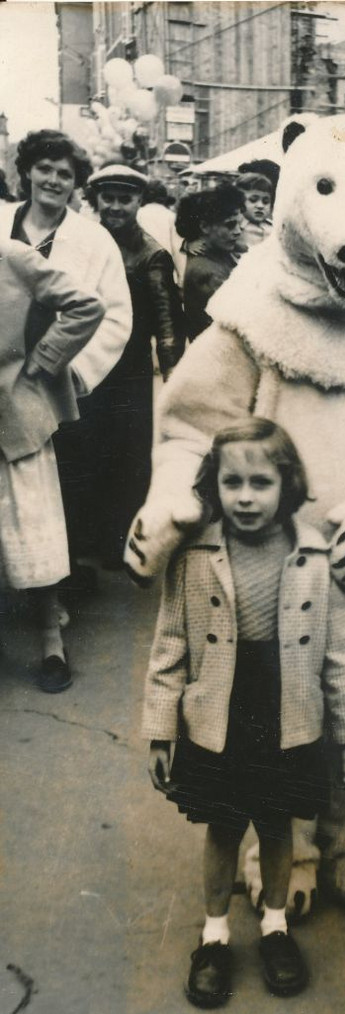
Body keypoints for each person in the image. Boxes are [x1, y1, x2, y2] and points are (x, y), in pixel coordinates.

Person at [143, 419, 345, 1005]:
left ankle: (274, 925)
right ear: (212, 485)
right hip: (219, 712)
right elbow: (170, 645)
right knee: (222, 826)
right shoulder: (193, 555)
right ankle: (215, 934)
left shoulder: (317, 558)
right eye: (231, 482)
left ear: (287, 485)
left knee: (276, 824)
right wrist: (161, 728)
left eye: (261, 483)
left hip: (287, 711)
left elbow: (339, 656)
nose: (245, 497)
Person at [0, 129, 132, 606]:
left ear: (76, 184)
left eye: (64, 174)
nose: (53, 180)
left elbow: (115, 313)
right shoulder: (1, 223)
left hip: (58, 382)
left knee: (63, 483)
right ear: (28, 172)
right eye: (45, 169)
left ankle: (58, 582)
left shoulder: (93, 241)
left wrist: (75, 370)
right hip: (3, 381)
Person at [0, 239, 105, 691]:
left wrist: (42, 362)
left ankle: (50, 641)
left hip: (15, 419)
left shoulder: (12, 256)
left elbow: (87, 305)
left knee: (32, 528)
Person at [84, 164, 185, 567]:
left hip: (130, 372)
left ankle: (121, 543)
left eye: (125, 198)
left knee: (127, 456)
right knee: (88, 449)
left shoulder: (151, 254)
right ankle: (88, 538)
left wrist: (174, 378)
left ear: (139, 202)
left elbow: (166, 324)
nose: (115, 206)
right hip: (88, 366)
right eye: (108, 198)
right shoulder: (86, 243)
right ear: (96, 200)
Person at [176, 185, 246, 341]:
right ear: (205, 227)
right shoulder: (205, 271)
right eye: (230, 225)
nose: (238, 231)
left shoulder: (218, 252)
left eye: (238, 224)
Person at [138, 178, 185, 287]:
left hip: (141, 270)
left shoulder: (138, 214)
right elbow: (178, 248)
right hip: (166, 272)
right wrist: (181, 278)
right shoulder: (171, 217)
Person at [233, 172, 273, 247]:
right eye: (253, 200)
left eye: (265, 202)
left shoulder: (273, 227)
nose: (260, 206)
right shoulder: (236, 228)